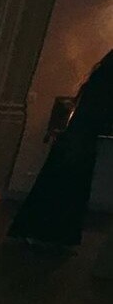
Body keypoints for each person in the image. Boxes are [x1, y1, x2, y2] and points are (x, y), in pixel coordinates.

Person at [9, 49, 113, 247]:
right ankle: (53, 235)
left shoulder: (99, 81)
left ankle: (39, 232)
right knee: (67, 191)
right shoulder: (105, 85)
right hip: (82, 142)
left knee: (57, 187)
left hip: (75, 140)